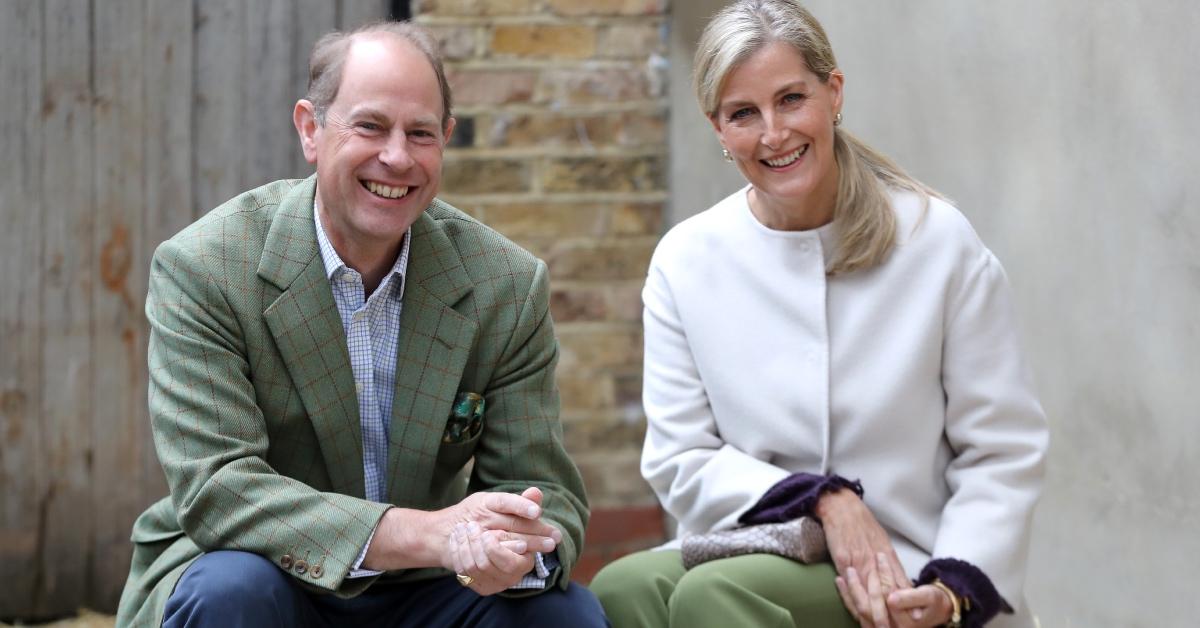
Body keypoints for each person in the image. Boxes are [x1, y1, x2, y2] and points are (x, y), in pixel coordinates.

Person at [115, 21, 606, 628]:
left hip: (425, 588)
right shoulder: (207, 268)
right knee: (231, 592)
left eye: (420, 133)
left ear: (445, 139)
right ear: (310, 129)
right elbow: (219, 489)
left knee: (564, 615)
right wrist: (430, 533)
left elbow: (545, 488)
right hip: (267, 571)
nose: (396, 157)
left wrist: (510, 548)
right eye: (370, 125)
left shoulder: (504, 284)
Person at [590, 1, 1048, 627]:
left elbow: (1001, 447)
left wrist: (956, 585)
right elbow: (679, 457)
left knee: (711, 597)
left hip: (910, 562)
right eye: (743, 113)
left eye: (791, 99)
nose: (773, 133)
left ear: (833, 93)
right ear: (718, 128)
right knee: (621, 588)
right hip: (759, 536)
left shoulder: (937, 242)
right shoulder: (686, 260)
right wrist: (824, 499)